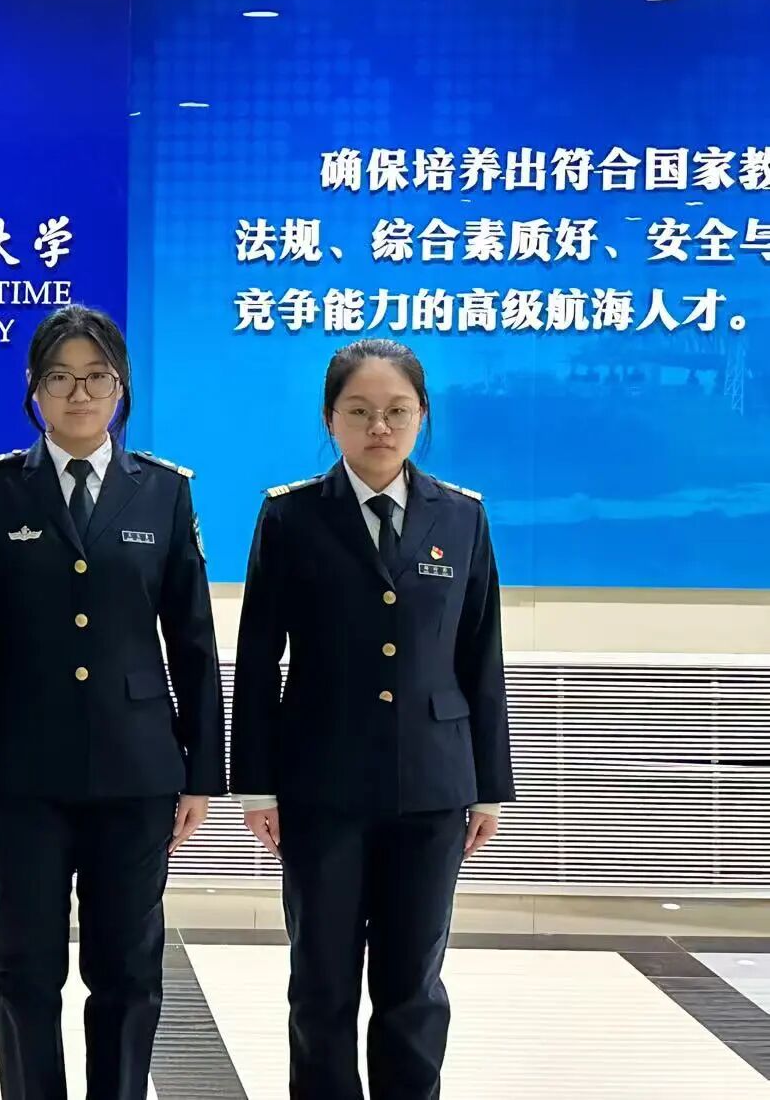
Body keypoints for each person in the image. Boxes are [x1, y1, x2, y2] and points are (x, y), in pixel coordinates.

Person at [0, 304, 225, 1100]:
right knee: (23, 967)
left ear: (121, 388)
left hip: (137, 771)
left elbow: (194, 645)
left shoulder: (162, 493)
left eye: (97, 377)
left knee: (127, 969)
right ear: (33, 389)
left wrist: (201, 774)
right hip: (20, 773)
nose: (79, 393)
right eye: (60, 377)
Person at [232, 338, 514, 1100]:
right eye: (359, 411)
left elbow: (480, 655)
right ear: (330, 418)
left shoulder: (461, 517)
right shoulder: (291, 516)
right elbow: (257, 659)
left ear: (422, 416)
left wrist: (488, 786)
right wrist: (256, 785)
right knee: (321, 982)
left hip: (433, 785)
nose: (379, 427)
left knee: (413, 984)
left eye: (397, 411)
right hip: (321, 785)